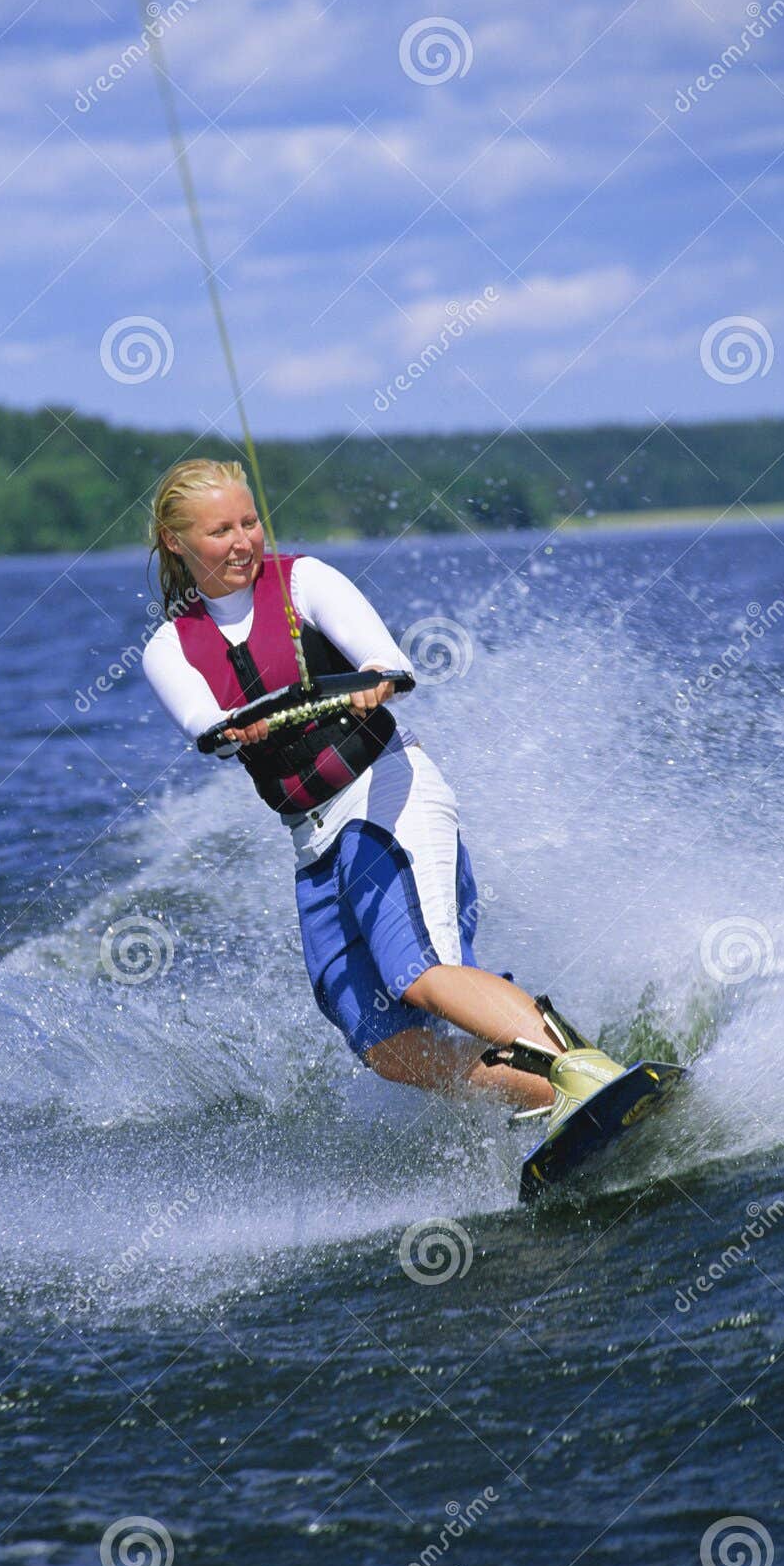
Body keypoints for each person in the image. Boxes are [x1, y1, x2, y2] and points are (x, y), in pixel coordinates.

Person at [141, 457, 624, 1123]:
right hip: (313, 841)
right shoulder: (169, 646)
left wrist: (374, 677)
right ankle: (550, 1095)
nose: (244, 541)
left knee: (418, 973)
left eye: (250, 522)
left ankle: (590, 1079)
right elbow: (205, 725)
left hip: (385, 796)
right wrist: (234, 730)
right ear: (176, 541)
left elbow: (384, 657)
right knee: (383, 1045)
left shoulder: (303, 582)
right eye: (221, 530)